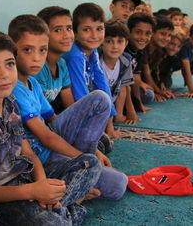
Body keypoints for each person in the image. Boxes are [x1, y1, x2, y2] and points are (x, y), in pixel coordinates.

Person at [0, 29, 101, 226]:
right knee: (54, 224)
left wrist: (41, 185)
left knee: (90, 163)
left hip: (28, 181)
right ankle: (67, 210)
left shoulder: (9, 101)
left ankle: (56, 206)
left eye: (9, 64)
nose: (4, 75)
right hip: (4, 199)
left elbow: (28, 153)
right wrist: (32, 191)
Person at [9, 14, 128, 202]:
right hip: (41, 158)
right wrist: (86, 160)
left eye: (42, 50)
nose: (36, 58)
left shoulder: (32, 82)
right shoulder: (14, 87)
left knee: (100, 99)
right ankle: (72, 186)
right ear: (12, 51)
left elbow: (53, 119)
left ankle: (81, 173)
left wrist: (92, 152)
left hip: (52, 145)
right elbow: (45, 137)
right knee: (117, 185)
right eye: (27, 50)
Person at [35, 6, 113, 154]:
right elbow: (45, 119)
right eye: (58, 30)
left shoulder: (62, 65)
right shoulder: (37, 68)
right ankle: (84, 153)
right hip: (38, 132)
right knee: (99, 99)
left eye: (69, 28)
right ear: (42, 35)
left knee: (103, 144)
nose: (66, 35)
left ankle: (88, 149)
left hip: (52, 124)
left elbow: (73, 107)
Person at [62, 3, 119, 138]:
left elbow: (102, 84)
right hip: (62, 111)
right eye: (87, 30)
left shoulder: (93, 52)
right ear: (75, 33)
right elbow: (80, 97)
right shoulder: (75, 56)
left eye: (99, 29)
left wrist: (109, 125)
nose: (94, 35)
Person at [99, 19, 138, 125]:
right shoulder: (96, 62)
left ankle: (118, 115)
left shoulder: (126, 61)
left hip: (113, 97)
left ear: (126, 43)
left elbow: (125, 87)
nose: (115, 46)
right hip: (98, 101)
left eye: (120, 41)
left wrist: (126, 112)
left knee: (122, 88)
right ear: (101, 42)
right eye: (109, 41)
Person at [124, 13, 156, 112]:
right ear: (129, 32)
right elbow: (123, 85)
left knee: (148, 95)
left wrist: (139, 104)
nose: (143, 37)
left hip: (126, 86)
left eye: (147, 33)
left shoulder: (140, 51)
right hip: (116, 87)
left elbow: (136, 77)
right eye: (138, 32)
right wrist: (132, 110)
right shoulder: (123, 49)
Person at [142, 15, 174, 102]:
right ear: (152, 32)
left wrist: (160, 86)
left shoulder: (160, 51)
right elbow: (146, 74)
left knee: (167, 83)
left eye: (169, 35)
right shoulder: (143, 47)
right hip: (134, 80)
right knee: (148, 95)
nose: (166, 38)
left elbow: (155, 73)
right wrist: (157, 91)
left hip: (144, 79)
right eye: (163, 34)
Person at [151, 31, 185, 96]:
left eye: (179, 46)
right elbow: (150, 73)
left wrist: (162, 83)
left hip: (160, 74)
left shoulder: (172, 56)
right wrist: (156, 90)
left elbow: (165, 72)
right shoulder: (157, 53)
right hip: (146, 76)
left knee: (167, 83)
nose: (175, 49)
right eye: (172, 44)